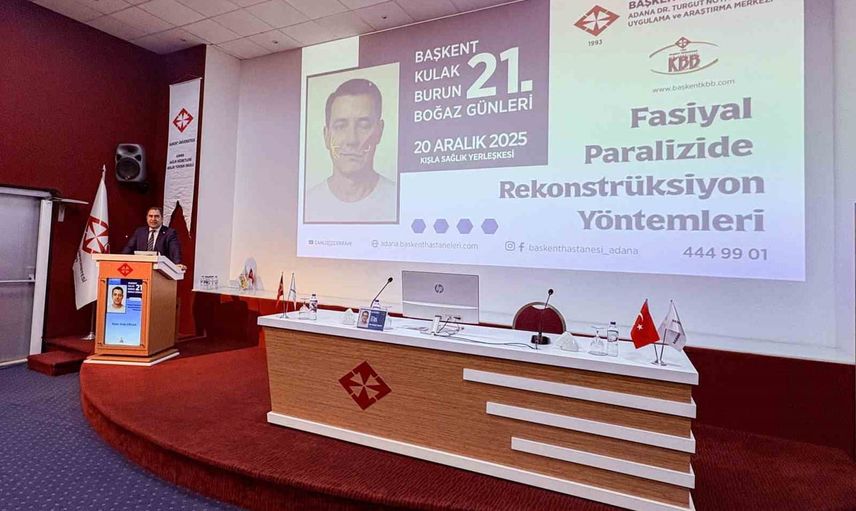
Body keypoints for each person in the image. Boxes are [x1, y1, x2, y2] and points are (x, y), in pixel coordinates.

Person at [305, 78, 397, 223]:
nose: (352, 140)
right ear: (326, 136)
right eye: (340, 126)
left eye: (364, 126)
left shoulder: (399, 200)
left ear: (379, 132)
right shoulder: (307, 204)